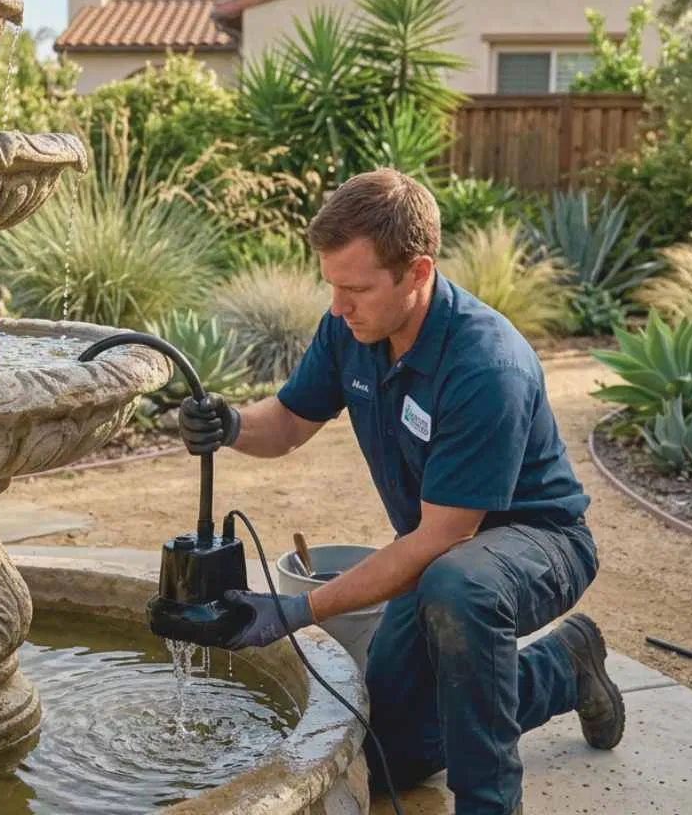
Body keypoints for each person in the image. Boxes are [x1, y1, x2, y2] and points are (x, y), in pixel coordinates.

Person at [179, 168, 624, 815]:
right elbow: (290, 424)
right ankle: (566, 666)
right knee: (393, 753)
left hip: (538, 543)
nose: (337, 306)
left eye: (355, 288)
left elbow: (446, 538)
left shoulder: (483, 364)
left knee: (459, 590)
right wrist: (230, 425)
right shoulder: (353, 328)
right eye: (332, 285)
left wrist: (297, 611)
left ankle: (489, 803)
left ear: (417, 273)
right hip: (439, 553)